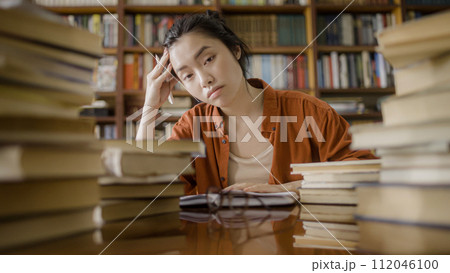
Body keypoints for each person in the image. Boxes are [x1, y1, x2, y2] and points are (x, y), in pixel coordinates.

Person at [136, 10, 376, 195]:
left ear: (235, 50)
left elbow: (367, 173)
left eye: (208, 59)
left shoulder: (307, 112)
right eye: (187, 75)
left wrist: (287, 191)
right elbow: (147, 190)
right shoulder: (192, 125)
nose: (204, 79)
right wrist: (150, 107)